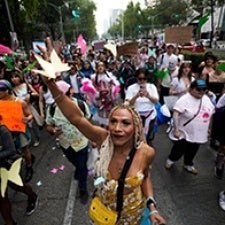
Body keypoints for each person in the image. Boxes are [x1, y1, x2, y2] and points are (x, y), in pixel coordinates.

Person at [36, 37, 166, 225]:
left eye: (125, 123)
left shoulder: (146, 151)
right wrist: (51, 85)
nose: (117, 128)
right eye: (113, 121)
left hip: (134, 217)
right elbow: (76, 118)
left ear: (136, 128)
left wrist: (152, 208)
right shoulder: (104, 138)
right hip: (104, 216)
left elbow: (145, 178)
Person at [45, 80, 91, 204]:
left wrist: (93, 137)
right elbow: (48, 125)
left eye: (64, 94)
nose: (61, 99)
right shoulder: (52, 108)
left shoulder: (81, 104)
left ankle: (82, 189)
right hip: (65, 145)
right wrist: (53, 130)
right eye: (58, 96)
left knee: (82, 166)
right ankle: (78, 169)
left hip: (81, 143)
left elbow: (88, 120)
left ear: (71, 91)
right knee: (74, 162)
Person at [165, 79, 214, 174]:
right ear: (191, 89)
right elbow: (175, 114)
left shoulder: (206, 99)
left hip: (199, 132)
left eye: (204, 89)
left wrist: (209, 129)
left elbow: (211, 114)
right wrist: (176, 129)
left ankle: (188, 164)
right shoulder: (184, 99)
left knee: (193, 149)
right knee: (179, 149)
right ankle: (171, 159)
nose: (201, 92)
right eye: (198, 89)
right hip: (184, 131)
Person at [0, 121, 38, 225]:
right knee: (2, 197)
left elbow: (11, 150)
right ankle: (10, 222)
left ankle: (33, 196)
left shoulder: (2, 130)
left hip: (9, 165)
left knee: (18, 187)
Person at [0, 79, 34, 182]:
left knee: (25, 149)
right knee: (11, 151)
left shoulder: (19, 102)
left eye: (1, 89)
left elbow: (30, 115)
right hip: (6, 132)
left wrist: (27, 119)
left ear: (8, 90)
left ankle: (29, 166)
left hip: (19, 131)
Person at [125, 68, 159, 146]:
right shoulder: (131, 88)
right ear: (136, 78)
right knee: (134, 136)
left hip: (150, 116)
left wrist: (148, 96)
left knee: (147, 137)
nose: (142, 81)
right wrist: (136, 96)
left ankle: (145, 150)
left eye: (145, 78)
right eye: (140, 78)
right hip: (135, 115)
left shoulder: (152, 87)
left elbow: (156, 101)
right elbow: (128, 104)